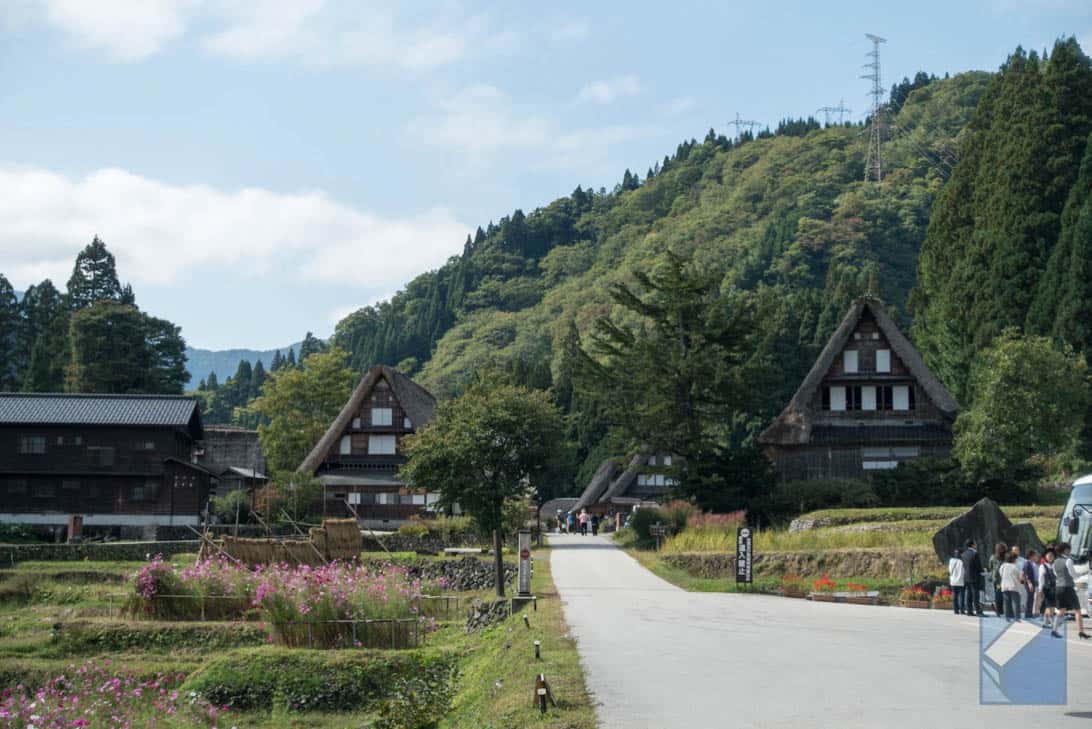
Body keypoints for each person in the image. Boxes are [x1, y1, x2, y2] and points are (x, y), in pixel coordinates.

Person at [1052, 542, 1089, 639]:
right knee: (1077, 610)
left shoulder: (1055, 562)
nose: (1070, 551)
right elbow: (1073, 574)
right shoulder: (1068, 560)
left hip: (1058, 587)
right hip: (1068, 587)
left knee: (1061, 610)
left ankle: (1054, 630)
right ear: (1066, 550)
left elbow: (1056, 574)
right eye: (1069, 549)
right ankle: (1081, 632)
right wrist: (1082, 574)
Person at [962, 539, 985, 616]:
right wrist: (982, 570)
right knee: (976, 595)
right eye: (975, 544)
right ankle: (978, 611)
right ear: (972, 545)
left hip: (967, 577)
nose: (976, 545)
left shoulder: (964, 554)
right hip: (974, 577)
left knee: (969, 595)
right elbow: (978, 566)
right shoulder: (975, 554)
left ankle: (969, 611)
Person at [998, 551, 1023, 620]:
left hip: (1004, 586)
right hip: (1014, 586)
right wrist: (1022, 581)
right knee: (1016, 603)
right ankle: (1017, 617)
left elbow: (1000, 574)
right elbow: (1020, 577)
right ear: (1013, 559)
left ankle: (1007, 616)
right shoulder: (1015, 566)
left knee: (1006, 602)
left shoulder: (1003, 566)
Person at [1038, 548, 1057, 630]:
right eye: (1049, 555)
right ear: (1045, 557)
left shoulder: (1055, 565)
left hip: (1055, 588)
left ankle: (1045, 622)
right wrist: (1040, 589)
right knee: (1050, 606)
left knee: (1050, 605)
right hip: (1046, 588)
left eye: (1052, 556)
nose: (1050, 557)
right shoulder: (1042, 566)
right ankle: (1052, 622)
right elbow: (1040, 578)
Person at [989, 542, 1008, 617]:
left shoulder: (993, 557)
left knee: (998, 594)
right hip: (1003, 578)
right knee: (1001, 594)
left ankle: (999, 609)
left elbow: (990, 567)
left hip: (996, 578)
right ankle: (1000, 610)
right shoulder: (1006, 558)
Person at [948, 548, 966, 615]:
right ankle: (962, 610)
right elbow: (964, 571)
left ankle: (956, 610)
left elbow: (950, 571)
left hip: (953, 581)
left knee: (955, 596)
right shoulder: (962, 561)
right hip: (961, 581)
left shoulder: (951, 560)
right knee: (961, 596)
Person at [1022, 548, 1039, 618]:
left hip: (1033, 582)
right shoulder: (1027, 563)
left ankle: (1029, 613)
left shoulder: (1032, 563)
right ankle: (1028, 614)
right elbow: (1026, 574)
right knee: (1029, 598)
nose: (1036, 556)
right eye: (1035, 555)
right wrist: (1029, 583)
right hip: (1030, 583)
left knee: (1031, 598)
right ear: (1031, 556)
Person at [1011, 545, 1028, 617]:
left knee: (1023, 595)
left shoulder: (1023, 560)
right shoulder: (1009, 560)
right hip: (1012, 582)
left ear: (1019, 551)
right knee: (1013, 597)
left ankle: (1022, 609)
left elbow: (1026, 570)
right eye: (1014, 550)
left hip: (1021, 581)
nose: (1015, 551)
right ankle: (1013, 610)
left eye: (1017, 550)